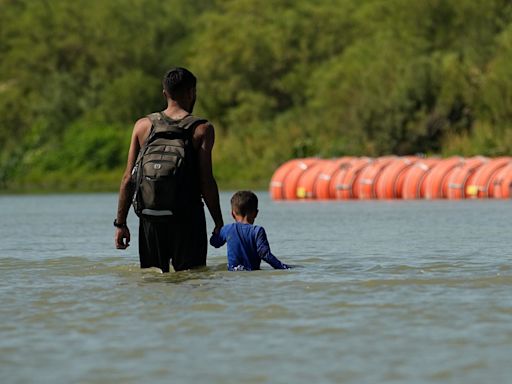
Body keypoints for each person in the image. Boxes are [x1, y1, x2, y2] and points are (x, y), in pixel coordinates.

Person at [114, 67, 224, 272]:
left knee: (153, 279)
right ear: (192, 92)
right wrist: (219, 223)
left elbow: (128, 178)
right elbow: (206, 181)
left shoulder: (142, 126)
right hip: (187, 218)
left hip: (150, 217)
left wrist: (120, 224)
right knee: (192, 278)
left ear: (165, 93)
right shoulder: (202, 128)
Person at [210, 190, 289, 271]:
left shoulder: (227, 229)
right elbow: (264, 254)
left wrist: (216, 230)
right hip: (253, 273)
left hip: (234, 274)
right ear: (256, 213)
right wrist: (283, 267)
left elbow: (214, 243)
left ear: (233, 214)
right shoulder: (258, 231)